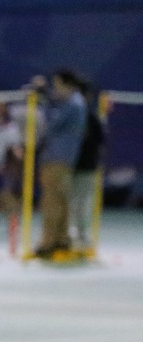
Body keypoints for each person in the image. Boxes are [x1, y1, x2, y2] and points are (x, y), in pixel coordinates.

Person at [32, 69, 88, 258]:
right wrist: (47, 96)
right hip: (63, 158)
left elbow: (51, 124)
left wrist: (42, 102)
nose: (55, 90)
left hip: (56, 158)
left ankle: (48, 241)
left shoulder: (73, 104)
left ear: (67, 85)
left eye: (56, 86)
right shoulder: (75, 102)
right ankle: (62, 239)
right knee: (61, 199)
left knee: (51, 200)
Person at [69, 82, 103, 251]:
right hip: (67, 166)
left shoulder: (92, 120)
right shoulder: (68, 117)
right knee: (68, 202)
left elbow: (100, 142)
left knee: (83, 203)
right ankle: (69, 234)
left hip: (87, 167)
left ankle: (82, 234)